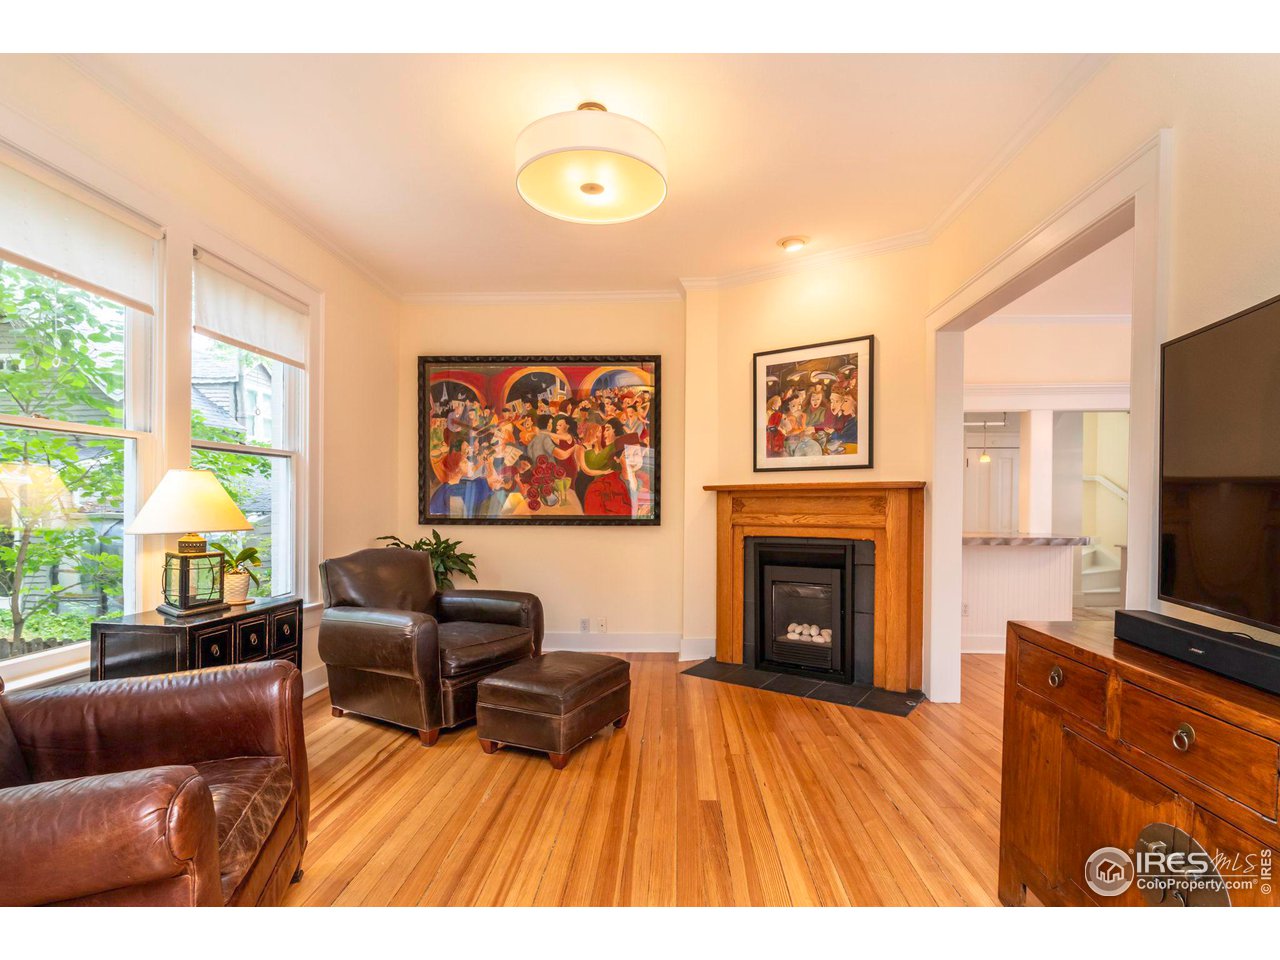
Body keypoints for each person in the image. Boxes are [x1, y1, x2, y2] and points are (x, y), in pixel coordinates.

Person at [579, 418, 633, 516]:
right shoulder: (612, 447)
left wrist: (588, 449)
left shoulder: (613, 447)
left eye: (607, 429)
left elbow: (593, 464)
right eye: (602, 431)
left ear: (615, 430)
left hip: (609, 488)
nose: (603, 434)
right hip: (610, 486)